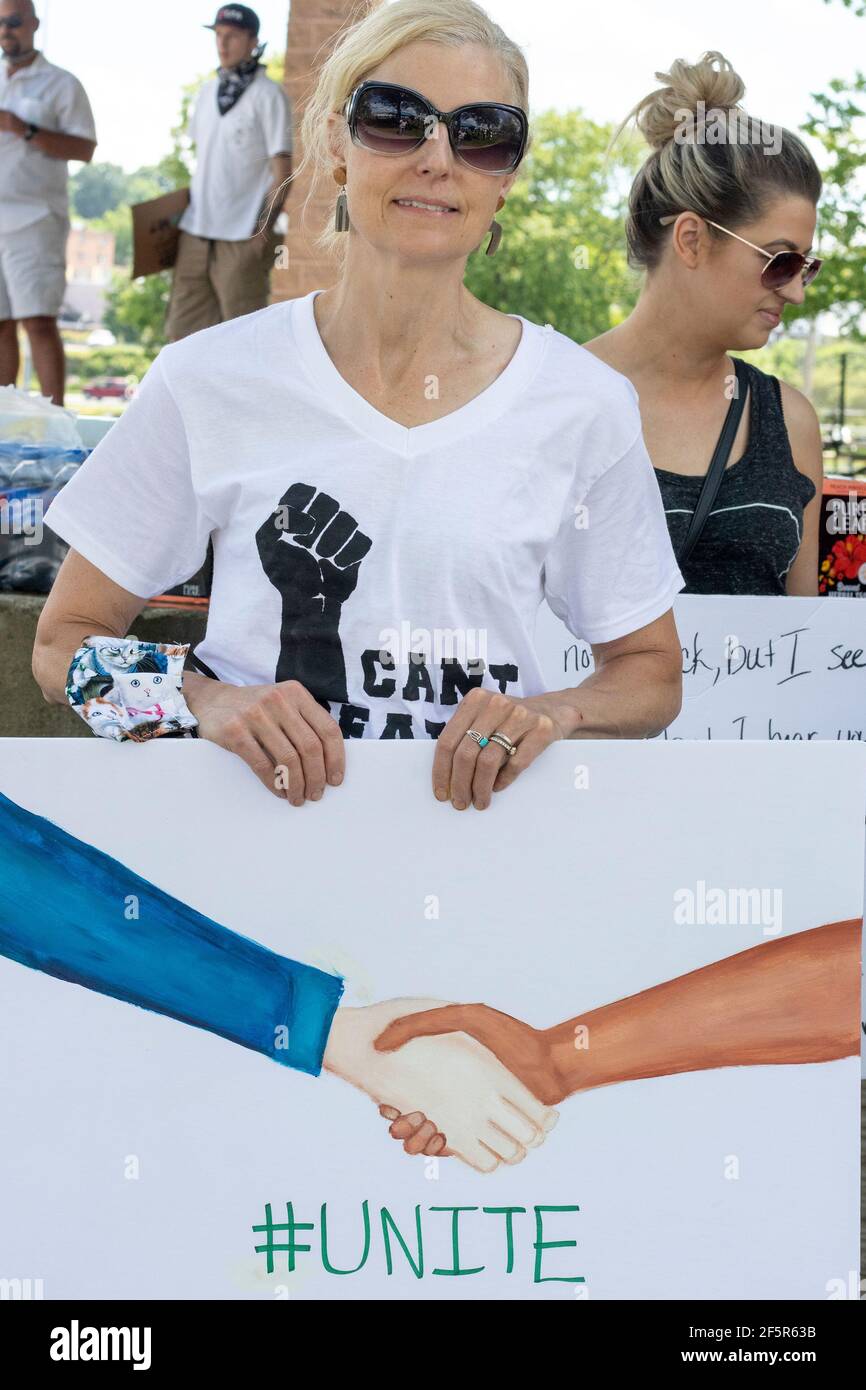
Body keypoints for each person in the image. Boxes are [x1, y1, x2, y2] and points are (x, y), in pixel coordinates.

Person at [35, 0, 684, 820]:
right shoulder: (208, 378)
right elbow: (61, 647)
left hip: (489, 862)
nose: (437, 157)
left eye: (483, 132)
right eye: (395, 119)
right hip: (243, 864)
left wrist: (558, 710)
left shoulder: (582, 402)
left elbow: (653, 671)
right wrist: (201, 701)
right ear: (337, 146)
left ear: (506, 177)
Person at [586, 53, 824, 597]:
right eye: (780, 260)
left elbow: (803, 634)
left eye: (806, 266)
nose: (795, 290)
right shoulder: (549, 395)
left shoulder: (791, 424)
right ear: (691, 239)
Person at [165, 5, 293, 341]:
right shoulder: (207, 93)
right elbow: (205, 164)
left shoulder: (268, 95)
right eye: (219, 36)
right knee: (183, 340)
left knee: (243, 341)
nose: (223, 44)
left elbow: (283, 171)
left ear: (253, 41)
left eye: (233, 36)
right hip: (195, 233)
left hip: (242, 236)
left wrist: (261, 232)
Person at [0, 0, 96, 404]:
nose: (7, 29)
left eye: (15, 21)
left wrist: (24, 129)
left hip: (35, 221)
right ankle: (5, 425)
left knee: (38, 322)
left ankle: (55, 424)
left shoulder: (62, 83)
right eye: (1, 22)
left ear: (34, 24)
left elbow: (85, 148)